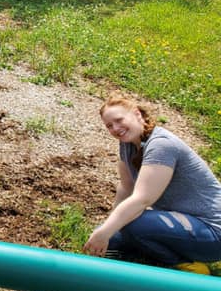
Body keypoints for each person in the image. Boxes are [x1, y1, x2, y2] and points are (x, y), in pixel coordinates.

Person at [84, 95, 221, 274]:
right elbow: (126, 188)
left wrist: (107, 231)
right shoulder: (127, 146)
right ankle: (154, 249)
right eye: (109, 125)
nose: (115, 128)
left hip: (213, 232)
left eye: (119, 120)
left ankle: (184, 263)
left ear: (137, 114)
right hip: (183, 221)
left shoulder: (161, 145)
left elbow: (142, 199)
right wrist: (106, 229)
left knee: (131, 223)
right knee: (113, 238)